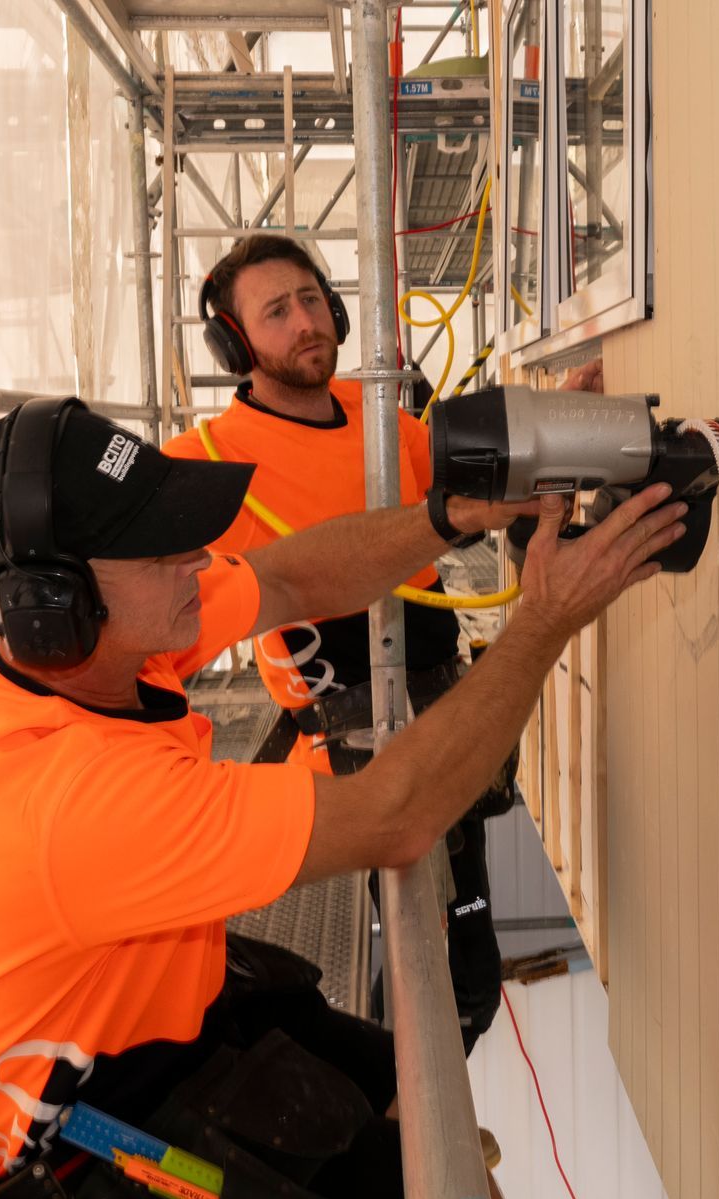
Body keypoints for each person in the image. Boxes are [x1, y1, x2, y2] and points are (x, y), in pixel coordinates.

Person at [0, 396, 685, 1199]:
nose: (198, 559)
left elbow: (288, 579)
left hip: (138, 1009)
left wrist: (446, 519)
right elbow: (395, 815)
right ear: (52, 604)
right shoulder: (76, 805)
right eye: (162, 551)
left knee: (421, 1114)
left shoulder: (39, 648)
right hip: (68, 1129)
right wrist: (545, 621)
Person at [166, 232, 602, 1050]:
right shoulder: (210, 463)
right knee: (413, 959)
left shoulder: (386, 428)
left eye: (310, 300)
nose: (306, 322)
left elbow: (485, 475)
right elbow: (100, 524)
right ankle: (408, 1131)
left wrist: (572, 421)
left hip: (443, 721)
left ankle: (422, 1129)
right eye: (276, 312)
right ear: (235, 344)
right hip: (352, 758)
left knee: (469, 973)